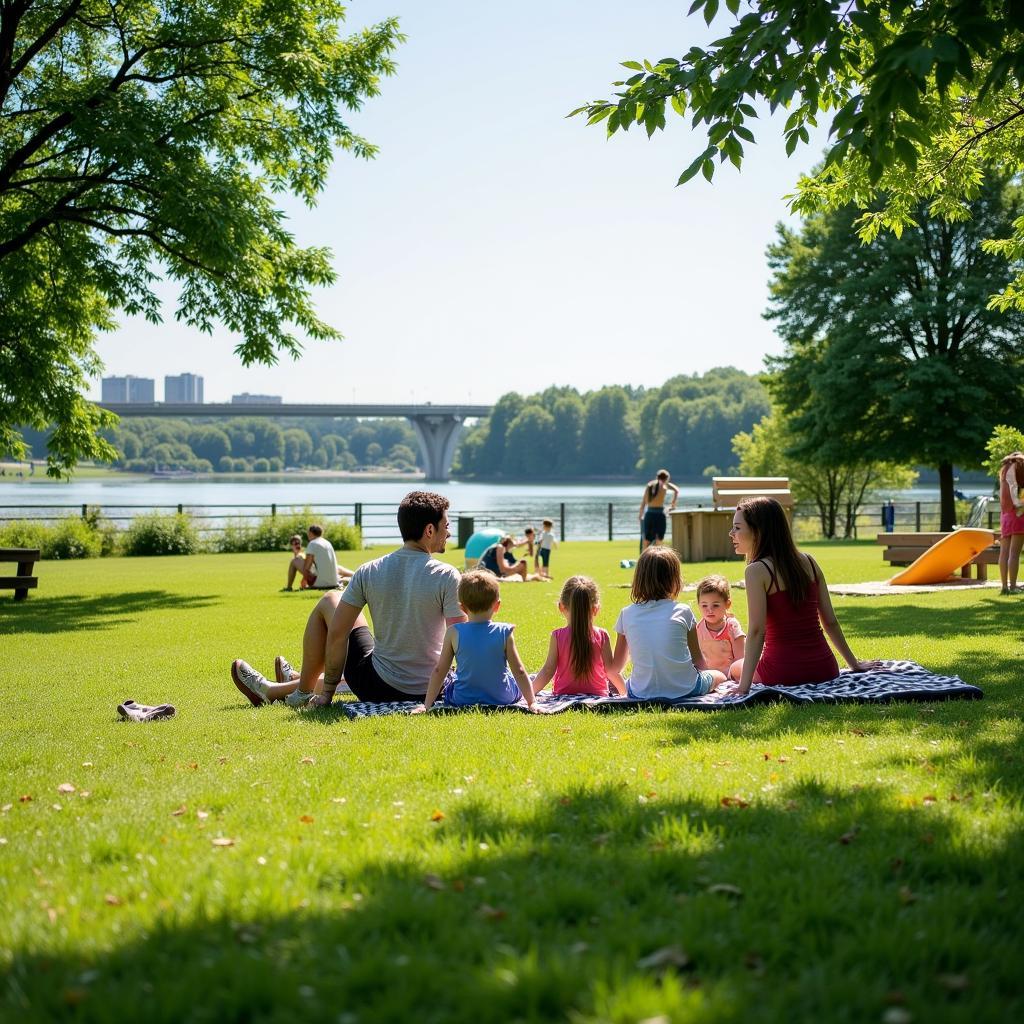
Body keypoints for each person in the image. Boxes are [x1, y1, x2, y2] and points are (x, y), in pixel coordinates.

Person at [231, 491, 464, 707]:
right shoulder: (447, 576)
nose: (449, 532)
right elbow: (462, 641)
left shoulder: (370, 570)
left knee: (330, 599)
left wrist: (327, 695)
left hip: (375, 687)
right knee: (372, 649)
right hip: (430, 689)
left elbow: (337, 634)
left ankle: (300, 689)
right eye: (446, 526)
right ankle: (293, 684)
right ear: (429, 531)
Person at [725, 496, 880, 695]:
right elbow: (830, 622)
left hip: (782, 672)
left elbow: (756, 631)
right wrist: (854, 664)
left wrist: (743, 687)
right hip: (825, 669)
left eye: (737, 528)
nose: (731, 533)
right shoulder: (810, 562)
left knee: (734, 668)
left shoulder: (756, 571)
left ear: (759, 531)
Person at [610, 546, 726, 699]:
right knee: (719, 675)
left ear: (639, 579)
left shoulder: (627, 614)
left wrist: (624, 690)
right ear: (674, 580)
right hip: (685, 689)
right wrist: (705, 681)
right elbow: (697, 659)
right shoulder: (683, 611)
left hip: (640, 692)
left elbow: (615, 668)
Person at [415, 570, 535, 712]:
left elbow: (439, 670)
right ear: (497, 605)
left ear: (462, 608)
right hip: (502, 697)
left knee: (451, 679)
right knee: (513, 676)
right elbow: (519, 671)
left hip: (462, 698)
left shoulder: (453, 632)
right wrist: (532, 702)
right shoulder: (504, 632)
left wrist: (426, 705)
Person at [532, 575, 625, 696]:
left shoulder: (558, 636)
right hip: (598, 694)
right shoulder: (602, 635)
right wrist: (625, 694)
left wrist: (529, 694)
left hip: (563, 694)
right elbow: (611, 672)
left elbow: (548, 671)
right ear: (596, 609)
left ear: (561, 607)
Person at [694, 574, 746, 681]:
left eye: (715, 605)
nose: (709, 610)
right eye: (704, 605)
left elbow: (741, 659)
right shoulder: (698, 629)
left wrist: (733, 676)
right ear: (698, 605)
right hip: (709, 676)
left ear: (727, 604)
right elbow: (696, 658)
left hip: (731, 675)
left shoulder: (732, 627)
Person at [284, 524, 353, 591]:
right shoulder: (327, 543)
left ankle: (289, 587)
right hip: (334, 582)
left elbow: (307, 567)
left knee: (294, 561)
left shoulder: (312, 544)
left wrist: (304, 581)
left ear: (310, 533)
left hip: (320, 584)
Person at [998, 451, 1024, 594]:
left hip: (1005, 515)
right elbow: (1018, 496)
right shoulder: (1017, 469)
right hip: (1018, 514)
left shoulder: (1004, 471)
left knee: (1004, 553)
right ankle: (1013, 587)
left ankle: (1004, 587)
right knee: (1014, 554)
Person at [638, 469, 679, 549]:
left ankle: (644, 559)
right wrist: (673, 505)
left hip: (649, 514)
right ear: (667, 478)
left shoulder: (649, 485)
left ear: (657, 477)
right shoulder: (664, 485)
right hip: (660, 514)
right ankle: (657, 559)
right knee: (659, 539)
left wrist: (640, 515)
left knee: (646, 540)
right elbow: (676, 490)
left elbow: (643, 502)